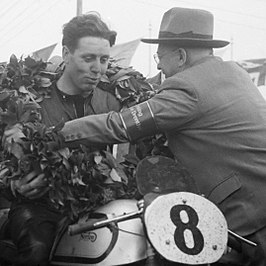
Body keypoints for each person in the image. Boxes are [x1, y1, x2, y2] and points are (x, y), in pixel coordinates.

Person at [44, 7, 266, 266]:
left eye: (160, 56)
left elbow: (120, 125)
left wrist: (54, 134)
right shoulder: (235, 72)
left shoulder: (187, 88)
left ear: (181, 56)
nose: (158, 64)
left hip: (251, 219)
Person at [1, 12, 120, 266]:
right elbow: (4, 168)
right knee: (37, 250)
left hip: (99, 203)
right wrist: (15, 187)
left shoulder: (113, 103)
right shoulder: (31, 104)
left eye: (104, 59)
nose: (97, 68)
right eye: (88, 58)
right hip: (41, 208)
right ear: (66, 54)